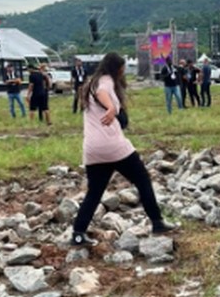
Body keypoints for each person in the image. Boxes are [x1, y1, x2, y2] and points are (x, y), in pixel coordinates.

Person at [70, 52, 177, 247]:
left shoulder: (90, 83)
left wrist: (111, 107)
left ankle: (78, 234)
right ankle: (157, 222)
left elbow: (99, 93)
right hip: (114, 145)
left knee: (94, 193)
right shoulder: (106, 81)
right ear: (116, 68)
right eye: (122, 68)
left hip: (93, 148)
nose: (123, 72)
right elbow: (103, 92)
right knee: (142, 180)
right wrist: (111, 107)